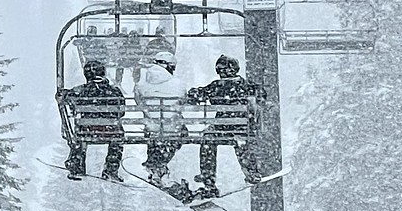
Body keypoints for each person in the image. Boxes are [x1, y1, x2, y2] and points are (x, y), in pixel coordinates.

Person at [185, 54, 262, 196]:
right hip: (241, 128)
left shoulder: (216, 86)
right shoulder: (247, 86)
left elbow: (197, 96)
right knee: (242, 144)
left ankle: (208, 179)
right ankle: (251, 172)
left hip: (221, 128)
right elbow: (261, 95)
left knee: (207, 140)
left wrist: (193, 93)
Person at [61, 58, 125, 181]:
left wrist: (63, 94)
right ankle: (111, 170)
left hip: (87, 130)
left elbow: (66, 98)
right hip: (111, 131)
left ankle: (77, 166)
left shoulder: (80, 91)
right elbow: (121, 111)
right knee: (117, 138)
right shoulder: (114, 91)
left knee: (79, 136)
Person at [134, 51, 186, 184]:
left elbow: (139, 102)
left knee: (154, 130)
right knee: (180, 132)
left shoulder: (141, 83)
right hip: (172, 127)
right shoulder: (178, 84)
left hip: (152, 126)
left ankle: (155, 164)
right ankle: (160, 163)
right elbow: (182, 102)